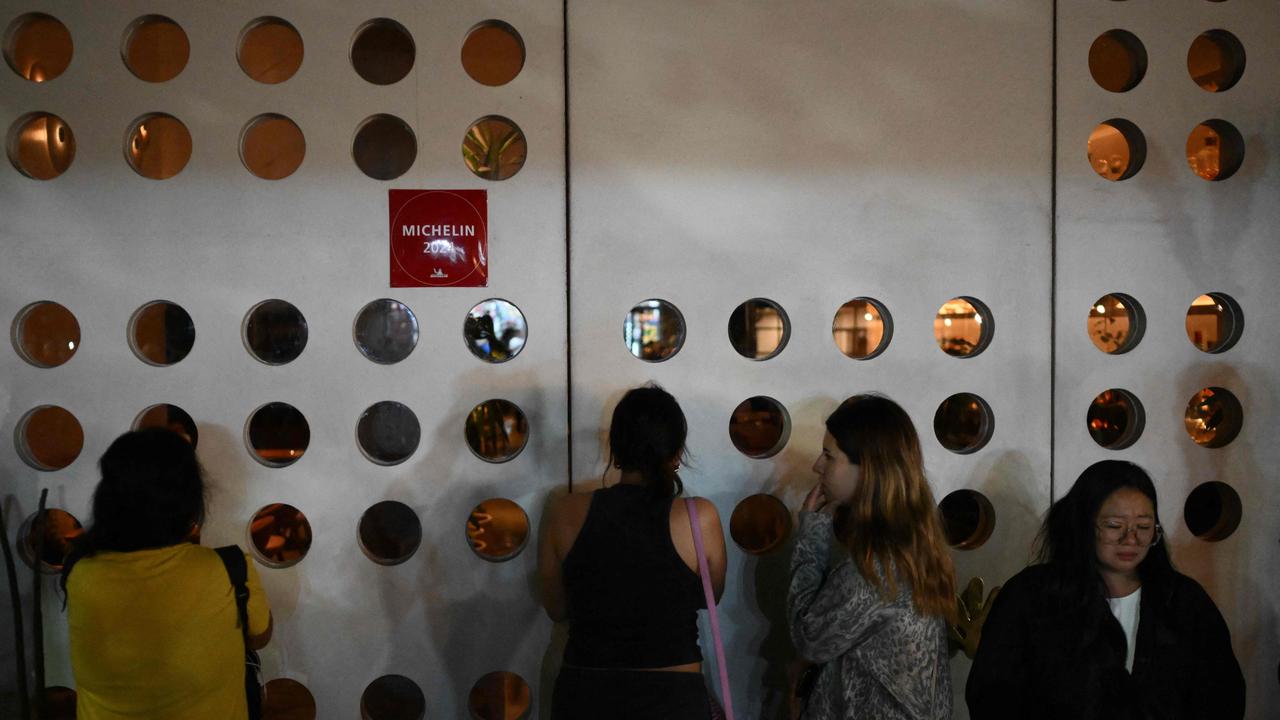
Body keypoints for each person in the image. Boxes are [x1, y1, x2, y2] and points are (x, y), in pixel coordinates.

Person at [966, 460, 1245, 719]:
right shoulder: (1032, 596)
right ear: (1083, 525)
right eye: (1115, 526)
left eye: (1144, 527)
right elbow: (992, 695)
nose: (1131, 539)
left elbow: (1221, 696)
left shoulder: (1183, 601)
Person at [538, 385, 727, 720]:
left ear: (615, 447)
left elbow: (556, 609)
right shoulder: (700, 517)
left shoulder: (564, 512)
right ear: (677, 452)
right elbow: (708, 596)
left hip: (586, 694)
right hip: (673, 697)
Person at [61, 428, 273, 720]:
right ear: (188, 498)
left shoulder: (80, 573)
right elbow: (260, 636)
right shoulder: (227, 568)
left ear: (107, 498)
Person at [788, 394, 956, 720]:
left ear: (868, 468)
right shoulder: (909, 545)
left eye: (829, 456)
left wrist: (810, 538)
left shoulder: (878, 567)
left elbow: (810, 636)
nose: (816, 466)